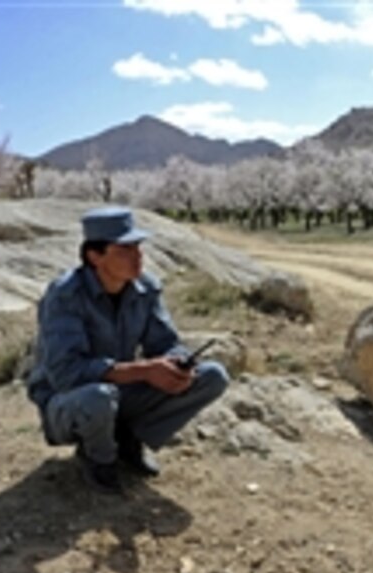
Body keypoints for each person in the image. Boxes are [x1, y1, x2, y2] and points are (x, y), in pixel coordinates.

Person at [27, 207, 230, 491]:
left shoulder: (145, 288)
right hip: (68, 402)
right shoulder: (65, 296)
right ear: (94, 256)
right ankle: (99, 458)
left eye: (137, 247)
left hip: (117, 390)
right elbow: (66, 375)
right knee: (97, 396)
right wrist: (144, 371)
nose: (137, 257)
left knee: (211, 376)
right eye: (124, 250)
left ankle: (129, 440)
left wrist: (177, 363)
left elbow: (165, 344)